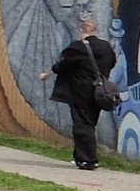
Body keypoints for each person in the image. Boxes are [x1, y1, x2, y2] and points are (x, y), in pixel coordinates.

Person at [39, 12, 118, 170]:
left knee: (82, 124)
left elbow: (62, 65)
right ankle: (80, 156)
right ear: (96, 31)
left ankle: (88, 160)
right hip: (99, 92)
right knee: (89, 123)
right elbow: (112, 63)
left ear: (82, 31)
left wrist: (46, 75)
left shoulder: (78, 47)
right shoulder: (106, 47)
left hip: (80, 91)